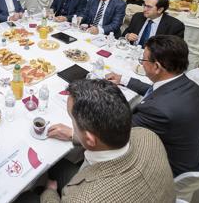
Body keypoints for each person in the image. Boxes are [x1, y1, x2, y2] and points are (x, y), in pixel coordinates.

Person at [40, 79, 175, 202]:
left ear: (90, 139)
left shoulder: (84, 199)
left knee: (27, 196)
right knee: (57, 165)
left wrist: (50, 193)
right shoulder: (147, 135)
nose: (72, 125)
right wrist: (73, 135)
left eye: (72, 120)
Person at [106, 35, 199, 176]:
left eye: (143, 59)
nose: (141, 64)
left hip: (164, 170)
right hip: (186, 154)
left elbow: (116, 131)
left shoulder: (159, 110)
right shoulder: (188, 85)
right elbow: (154, 91)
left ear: (156, 67)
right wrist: (123, 79)